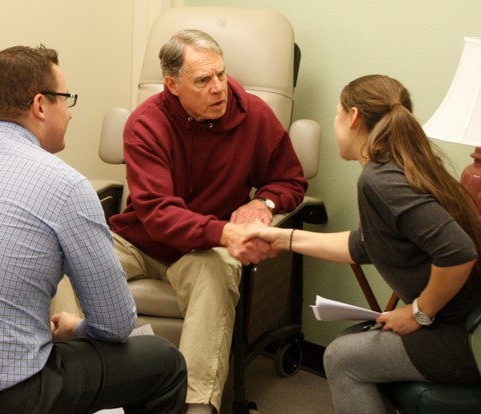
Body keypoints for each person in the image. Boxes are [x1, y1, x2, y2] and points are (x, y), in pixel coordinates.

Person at [0, 45, 187, 414]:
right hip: (10, 396)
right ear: (40, 105)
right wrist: (77, 329)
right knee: (164, 361)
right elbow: (116, 325)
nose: (69, 114)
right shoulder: (65, 185)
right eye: (65, 99)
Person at [246, 74, 481, 413]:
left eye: (337, 113)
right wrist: (283, 238)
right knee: (352, 344)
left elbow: (458, 253)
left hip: (469, 336)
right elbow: (363, 245)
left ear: (353, 117)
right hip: (462, 322)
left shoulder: (380, 180)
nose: (335, 122)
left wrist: (419, 313)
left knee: (344, 357)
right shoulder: (407, 166)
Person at [108, 29, 307, 414]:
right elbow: (158, 213)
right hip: (142, 240)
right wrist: (225, 230)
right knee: (64, 270)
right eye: (203, 80)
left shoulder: (252, 114)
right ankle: (79, 387)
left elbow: (291, 179)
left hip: (204, 250)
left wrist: (264, 202)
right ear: (172, 85)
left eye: (221, 74)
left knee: (218, 273)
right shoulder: (146, 123)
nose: (219, 88)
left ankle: (196, 404)